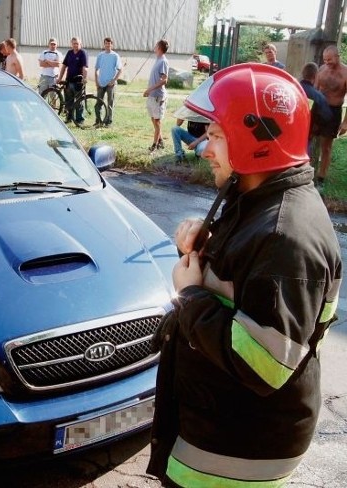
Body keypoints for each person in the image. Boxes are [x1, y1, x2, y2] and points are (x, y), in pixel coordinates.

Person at [147, 63, 342, 488]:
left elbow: (265, 366)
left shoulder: (285, 236)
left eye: (215, 135)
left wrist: (191, 294)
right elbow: (243, 274)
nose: (204, 148)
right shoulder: (256, 197)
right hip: (219, 432)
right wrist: (205, 242)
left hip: (236, 455)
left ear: (256, 139)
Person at [314, 44, 347, 188]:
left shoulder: (346, 73)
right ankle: (307, 170)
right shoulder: (321, 69)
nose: (327, 63)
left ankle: (321, 178)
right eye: (325, 60)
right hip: (318, 110)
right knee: (307, 140)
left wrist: (346, 123)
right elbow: (314, 91)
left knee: (326, 147)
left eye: (329, 60)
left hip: (333, 112)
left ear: (337, 57)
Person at [299, 61, 332, 158]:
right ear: (315, 76)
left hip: (287, 133)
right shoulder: (318, 96)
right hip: (306, 136)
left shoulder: (291, 88)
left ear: (303, 73)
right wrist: (316, 128)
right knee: (303, 161)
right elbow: (327, 117)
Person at [144, 39, 169, 152]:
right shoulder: (157, 60)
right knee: (153, 119)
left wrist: (150, 89)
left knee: (157, 121)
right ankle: (160, 141)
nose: (154, 46)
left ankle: (154, 145)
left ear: (159, 47)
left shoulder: (163, 61)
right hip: (152, 96)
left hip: (158, 96)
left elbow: (164, 80)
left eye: (156, 45)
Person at [57, 37, 88, 124]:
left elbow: (85, 67)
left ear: (80, 44)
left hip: (78, 81)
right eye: (74, 43)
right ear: (71, 44)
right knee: (68, 101)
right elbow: (64, 66)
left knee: (79, 102)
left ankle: (79, 120)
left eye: (77, 43)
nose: (75, 45)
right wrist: (60, 78)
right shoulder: (69, 53)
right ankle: (69, 118)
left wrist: (84, 79)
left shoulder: (83, 53)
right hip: (69, 80)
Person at [94, 36, 123, 127]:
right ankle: (98, 121)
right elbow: (96, 69)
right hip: (101, 83)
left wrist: (114, 81)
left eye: (109, 43)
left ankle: (108, 121)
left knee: (110, 103)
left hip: (111, 84)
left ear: (112, 45)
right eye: (106, 43)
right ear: (104, 44)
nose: (108, 45)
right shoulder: (100, 55)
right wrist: (96, 81)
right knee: (99, 103)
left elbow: (120, 70)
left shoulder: (115, 56)